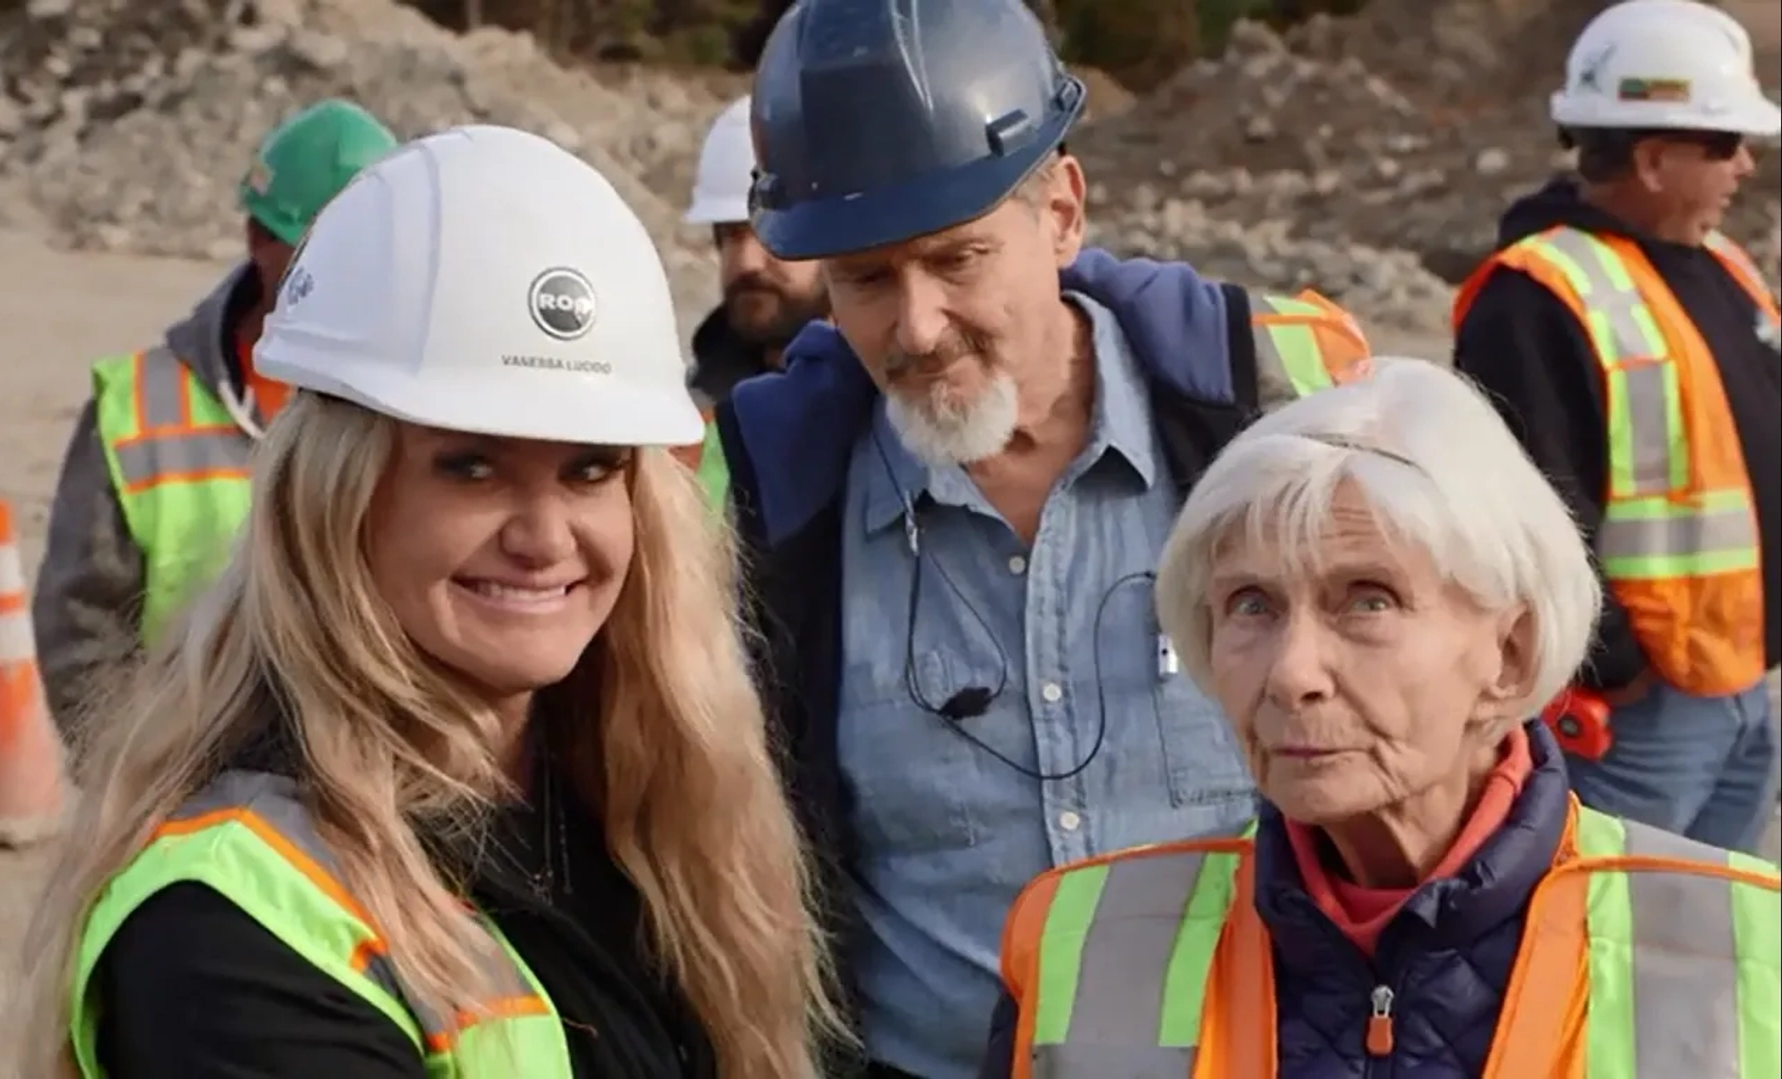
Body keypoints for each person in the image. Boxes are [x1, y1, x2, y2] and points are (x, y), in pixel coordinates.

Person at [13, 125, 837, 1079]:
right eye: (472, 466)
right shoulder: (231, 937)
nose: (543, 536)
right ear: (335, 495)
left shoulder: (619, 799)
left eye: (590, 468)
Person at [715, 1, 1373, 1074]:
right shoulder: (765, 507)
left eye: (957, 258)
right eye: (866, 281)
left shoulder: (1275, 418)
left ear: (1062, 211)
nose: (916, 327)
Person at [984, 357, 1782, 1077]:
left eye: (1368, 599)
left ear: (1509, 653)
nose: (1292, 673)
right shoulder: (1078, 937)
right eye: (1250, 604)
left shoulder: (1753, 947)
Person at [1452, 0, 1781, 853]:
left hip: (1740, 686)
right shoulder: (1533, 297)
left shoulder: (1721, 267)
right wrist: (1615, 666)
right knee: (1606, 947)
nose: (1745, 165)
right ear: (1654, 156)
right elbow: (1521, 511)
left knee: (1719, 952)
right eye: (1724, 145)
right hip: (1642, 720)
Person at [30, 98, 397, 741]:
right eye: (331, 256)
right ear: (261, 241)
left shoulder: (429, 404)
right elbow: (82, 631)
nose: (360, 283)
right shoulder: (139, 408)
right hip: (192, 778)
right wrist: (136, 783)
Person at [676, 94, 829, 500]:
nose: (745, 262)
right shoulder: (687, 419)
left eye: (769, 232)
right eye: (728, 235)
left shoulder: (894, 413)